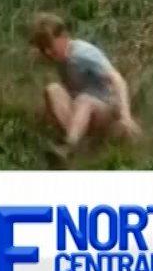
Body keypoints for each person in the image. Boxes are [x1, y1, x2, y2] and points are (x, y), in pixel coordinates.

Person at [32, 13, 138, 160]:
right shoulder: (60, 58)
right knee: (53, 90)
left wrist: (125, 116)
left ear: (63, 37)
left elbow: (117, 79)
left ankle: (69, 146)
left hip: (104, 108)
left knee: (84, 99)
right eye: (44, 49)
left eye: (50, 46)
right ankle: (80, 146)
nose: (48, 52)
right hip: (80, 112)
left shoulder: (84, 53)